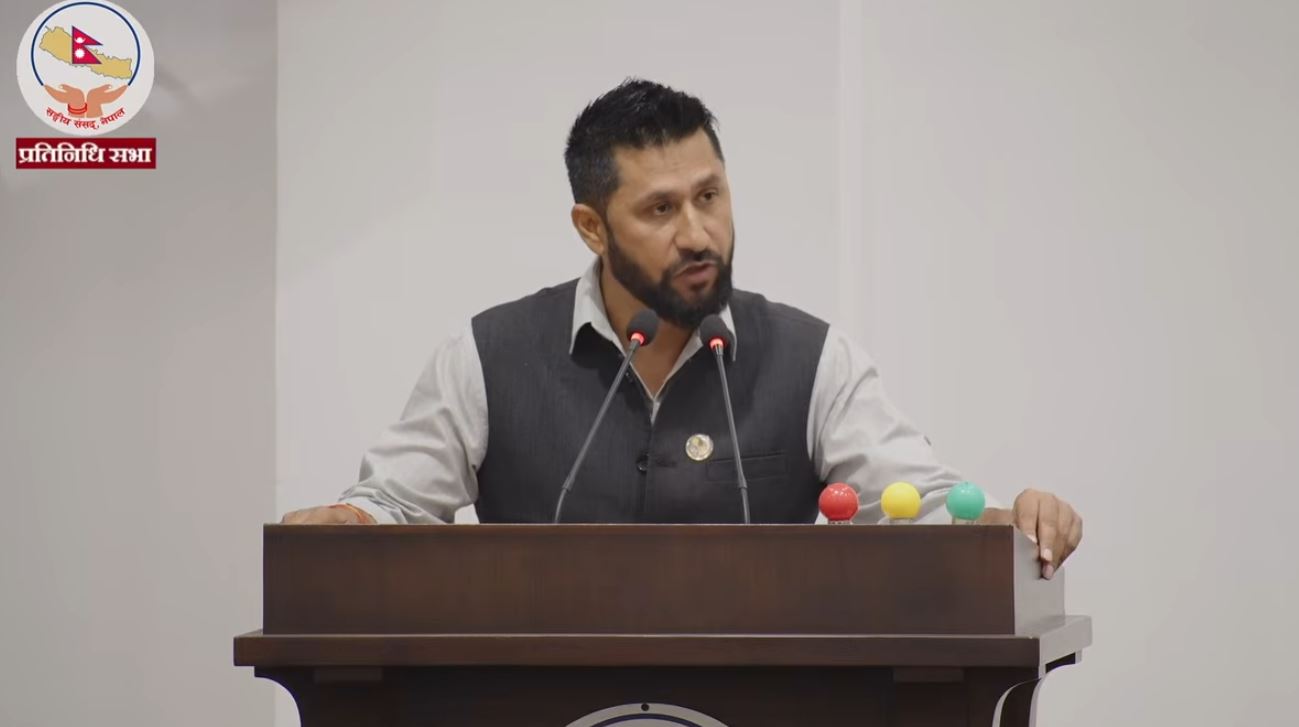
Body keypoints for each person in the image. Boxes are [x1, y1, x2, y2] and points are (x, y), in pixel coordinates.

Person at [282, 79, 1082, 579]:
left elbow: (915, 500)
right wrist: (351, 521)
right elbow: (392, 501)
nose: (698, 233)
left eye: (709, 196)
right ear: (591, 227)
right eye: (660, 209)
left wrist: (1004, 522)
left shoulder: (812, 359)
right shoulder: (487, 357)